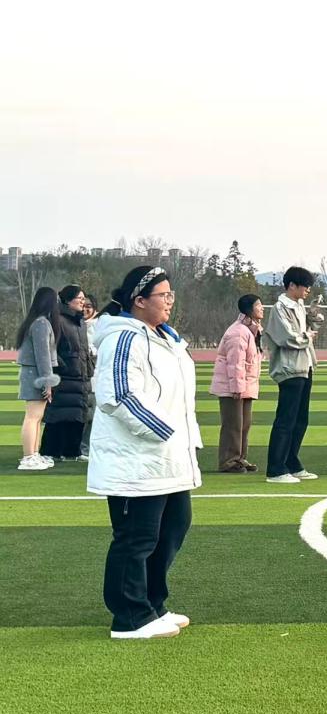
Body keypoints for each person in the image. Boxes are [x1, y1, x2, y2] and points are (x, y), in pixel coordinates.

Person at [88, 266, 202, 639]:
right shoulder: (124, 338)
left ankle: (152, 604)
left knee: (173, 528)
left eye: (171, 295)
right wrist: (163, 432)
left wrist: (182, 440)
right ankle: (129, 616)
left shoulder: (165, 338)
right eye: (163, 295)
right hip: (135, 458)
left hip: (167, 458)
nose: (170, 302)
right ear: (139, 301)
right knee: (136, 537)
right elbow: (119, 394)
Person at [263, 266, 319, 484]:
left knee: (301, 419)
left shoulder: (299, 305)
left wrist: (312, 316)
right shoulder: (280, 308)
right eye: (305, 286)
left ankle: (292, 462)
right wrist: (308, 336)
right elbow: (286, 337)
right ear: (292, 286)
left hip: (304, 366)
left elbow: (305, 329)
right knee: (286, 419)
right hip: (289, 368)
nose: (308, 290)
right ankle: (275, 469)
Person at [40, 285, 95, 462]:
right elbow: (50, 348)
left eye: (84, 298)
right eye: (79, 298)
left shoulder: (80, 322)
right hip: (64, 377)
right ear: (67, 300)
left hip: (81, 376)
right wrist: (62, 366)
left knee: (78, 415)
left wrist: (89, 366)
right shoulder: (57, 320)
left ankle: (73, 451)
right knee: (59, 415)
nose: (83, 302)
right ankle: (51, 451)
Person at [210, 295, 264, 473]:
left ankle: (239, 458)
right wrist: (237, 387)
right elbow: (235, 363)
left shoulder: (251, 330)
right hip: (232, 387)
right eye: (258, 305)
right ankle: (228, 461)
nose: (262, 308)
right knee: (233, 424)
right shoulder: (238, 332)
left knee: (244, 424)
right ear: (249, 309)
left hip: (244, 385)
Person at [15, 287, 61, 471]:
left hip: (34, 374)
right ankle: (28, 457)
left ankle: (33, 454)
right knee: (32, 416)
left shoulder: (36, 322)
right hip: (35, 375)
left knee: (36, 417)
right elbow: (43, 356)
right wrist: (47, 382)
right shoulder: (41, 323)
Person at [80, 293, 99, 458]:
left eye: (89, 306)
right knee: (85, 417)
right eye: (83, 306)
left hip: (96, 380)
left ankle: (88, 449)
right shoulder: (76, 324)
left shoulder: (100, 325)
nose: (85, 309)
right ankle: (82, 449)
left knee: (93, 417)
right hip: (82, 380)